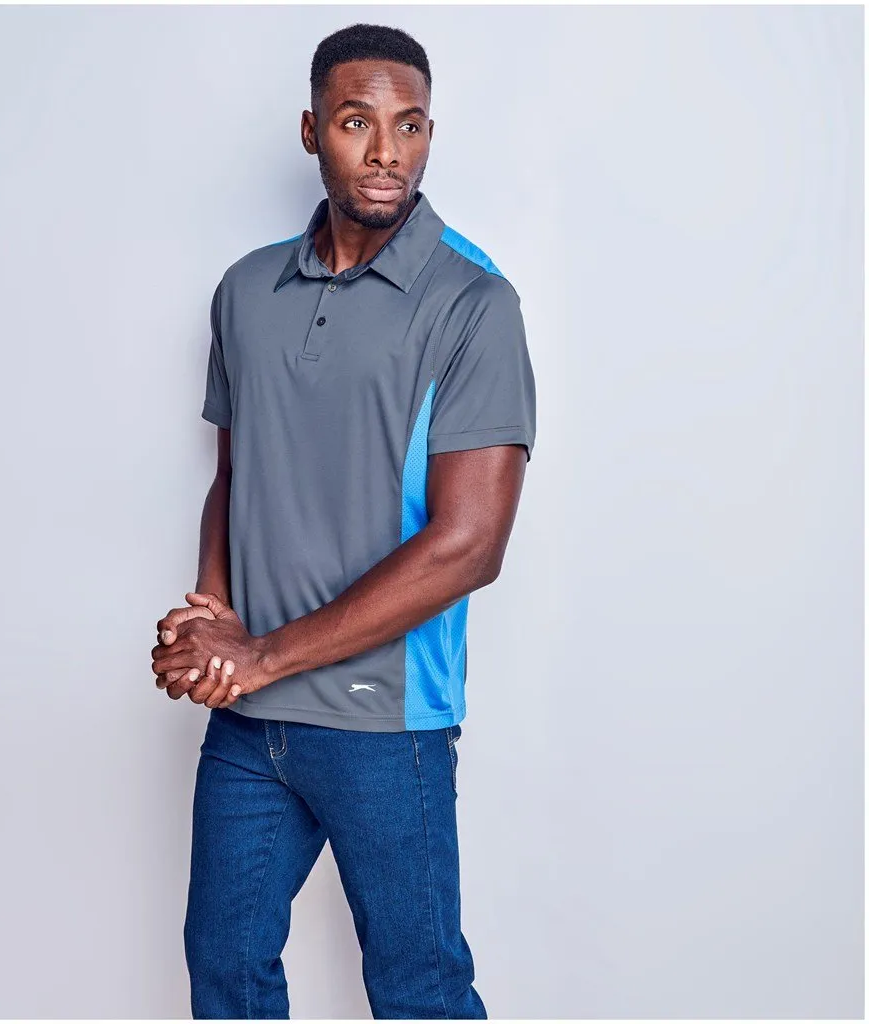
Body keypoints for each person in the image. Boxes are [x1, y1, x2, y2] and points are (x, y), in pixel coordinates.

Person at [151, 22, 536, 1020]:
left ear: (429, 133)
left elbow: (468, 547)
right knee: (225, 974)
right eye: (358, 122)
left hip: (384, 723)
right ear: (311, 129)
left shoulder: (473, 301)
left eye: (410, 126)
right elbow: (236, 473)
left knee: (419, 993)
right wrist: (211, 617)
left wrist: (260, 654)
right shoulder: (246, 290)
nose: (386, 151)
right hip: (250, 725)